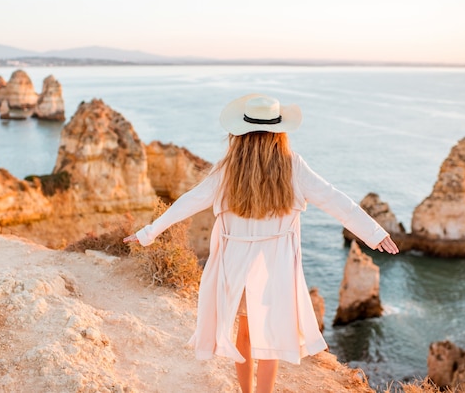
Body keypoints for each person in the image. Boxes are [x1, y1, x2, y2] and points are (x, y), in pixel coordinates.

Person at [123, 94, 399, 393]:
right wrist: (374, 233)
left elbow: (189, 202)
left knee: (245, 333)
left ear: (239, 131)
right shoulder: (293, 166)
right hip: (275, 265)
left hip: (235, 263)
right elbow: (333, 199)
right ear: (280, 131)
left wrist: (148, 232)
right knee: (272, 337)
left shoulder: (227, 168)